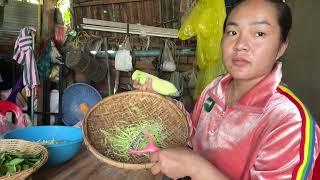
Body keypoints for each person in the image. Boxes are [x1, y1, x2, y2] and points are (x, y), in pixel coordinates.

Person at [133, 0, 320, 179]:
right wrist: (162, 104)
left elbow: (195, 165)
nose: (240, 46)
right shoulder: (215, 89)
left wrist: (196, 169)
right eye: (232, 32)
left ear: (281, 46)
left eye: (259, 34)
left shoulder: (290, 122)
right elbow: (193, 132)